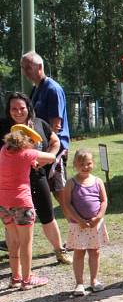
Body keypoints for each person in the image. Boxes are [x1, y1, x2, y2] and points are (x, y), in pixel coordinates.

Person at [0, 92, 71, 265]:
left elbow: (55, 142)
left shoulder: (39, 124)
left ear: (28, 108)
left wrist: (47, 156)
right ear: (8, 110)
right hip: (11, 185)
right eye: (13, 109)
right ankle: (16, 264)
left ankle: (60, 251)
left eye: (22, 108)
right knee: (12, 225)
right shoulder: (2, 127)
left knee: (48, 215)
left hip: (37, 177)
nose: (18, 112)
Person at [0, 124, 56, 289]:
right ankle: (27, 280)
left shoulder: (3, 150)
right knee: (26, 242)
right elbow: (51, 158)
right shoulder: (28, 154)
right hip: (22, 203)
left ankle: (15, 278)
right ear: (27, 141)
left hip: (3, 203)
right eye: (34, 142)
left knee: (13, 241)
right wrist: (38, 159)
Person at [20, 51, 71, 207]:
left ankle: (76, 220)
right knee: (50, 190)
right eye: (23, 68)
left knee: (59, 190)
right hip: (42, 149)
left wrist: (49, 152)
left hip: (55, 149)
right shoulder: (36, 89)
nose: (25, 72)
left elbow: (56, 124)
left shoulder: (52, 89)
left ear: (40, 67)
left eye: (28, 67)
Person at [62, 149, 109, 296]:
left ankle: (94, 280)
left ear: (93, 163)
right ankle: (79, 283)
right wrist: (79, 220)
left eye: (88, 163)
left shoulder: (97, 181)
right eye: (81, 164)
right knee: (79, 253)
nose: (85, 166)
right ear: (75, 164)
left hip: (95, 224)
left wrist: (99, 217)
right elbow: (67, 204)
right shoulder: (71, 183)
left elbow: (104, 200)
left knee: (95, 252)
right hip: (78, 225)